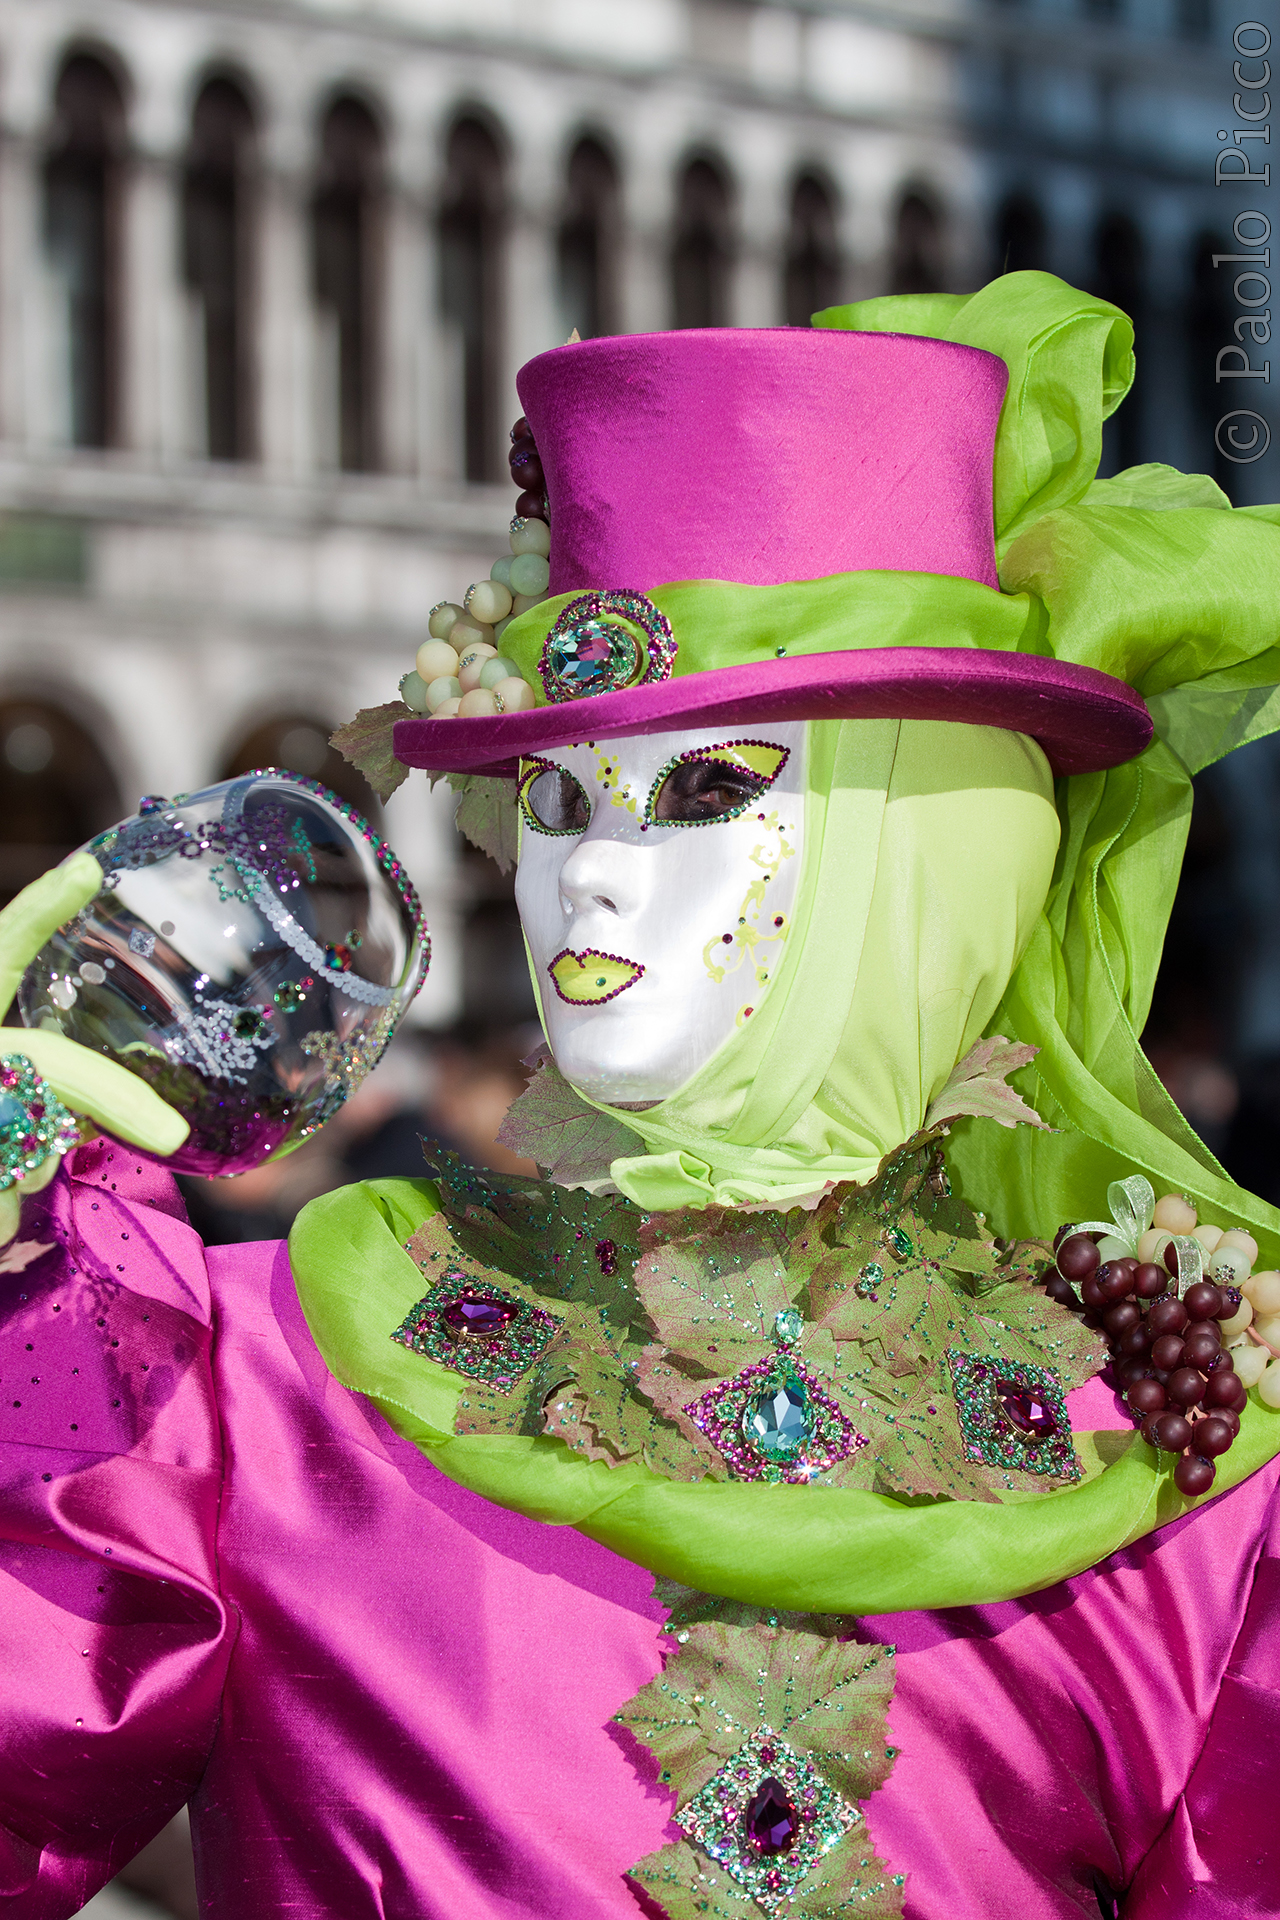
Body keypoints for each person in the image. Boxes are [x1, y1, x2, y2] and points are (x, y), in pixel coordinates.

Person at [1, 271, 1279, 1920]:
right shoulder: (247, 1393)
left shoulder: (1185, 1483)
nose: (590, 877)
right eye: (554, 796)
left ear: (931, 849)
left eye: (704, 791)